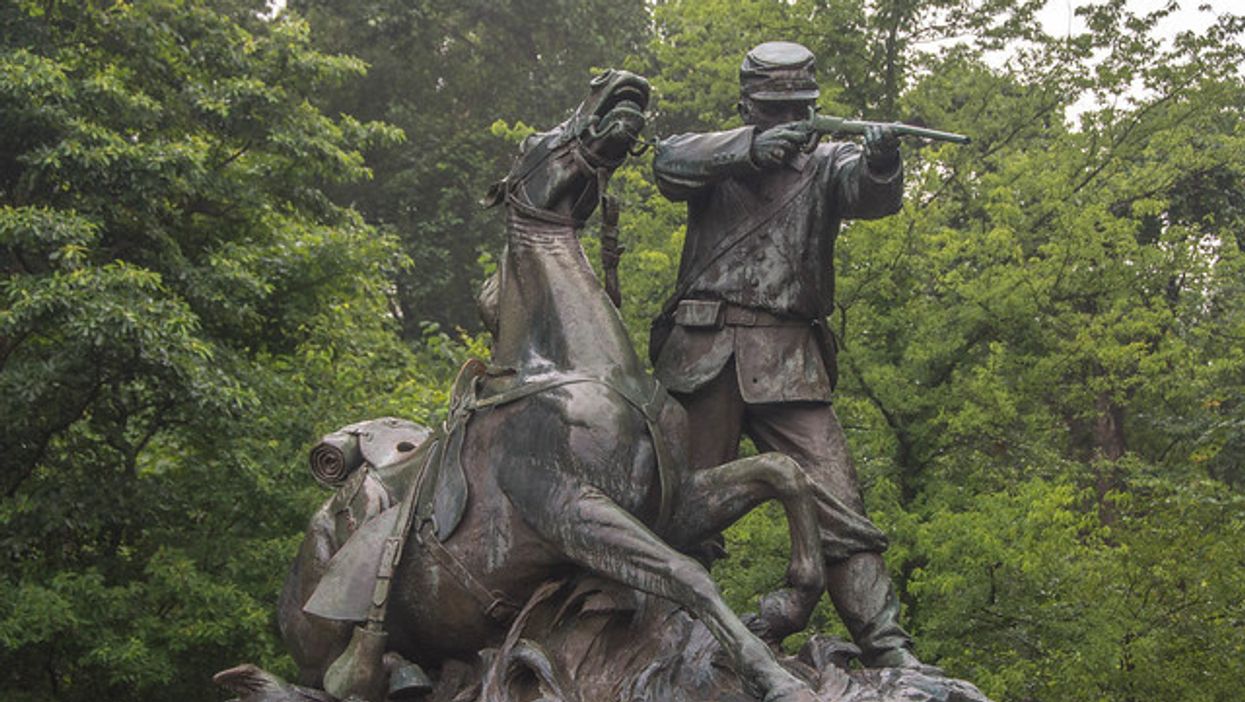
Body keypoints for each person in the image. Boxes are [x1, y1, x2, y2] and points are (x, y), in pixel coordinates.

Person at [649, 40, 924, 669]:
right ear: (747, 105)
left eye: (797, 108)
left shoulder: (829, 164)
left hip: (789, 363)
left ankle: (888, 650)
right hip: (701, 355)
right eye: (772, 109)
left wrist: (883, 161)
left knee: (839, 505)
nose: (786, 121)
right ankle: (649, 636)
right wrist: (748, 148)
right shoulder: (717, 157)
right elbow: (667, 162)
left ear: (815, 107)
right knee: (673, 509)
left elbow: (874, 194)